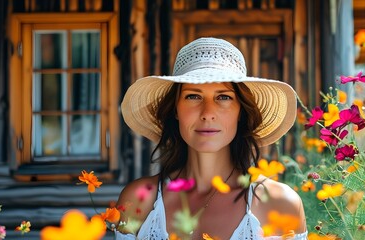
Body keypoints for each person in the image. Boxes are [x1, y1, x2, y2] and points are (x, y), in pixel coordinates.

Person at [117, 37, 307, 239]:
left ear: (240, 111)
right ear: (175, 109)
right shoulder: (138, 200)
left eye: (223, 97)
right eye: (193, 96)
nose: (208, 113)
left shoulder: (281, 204)